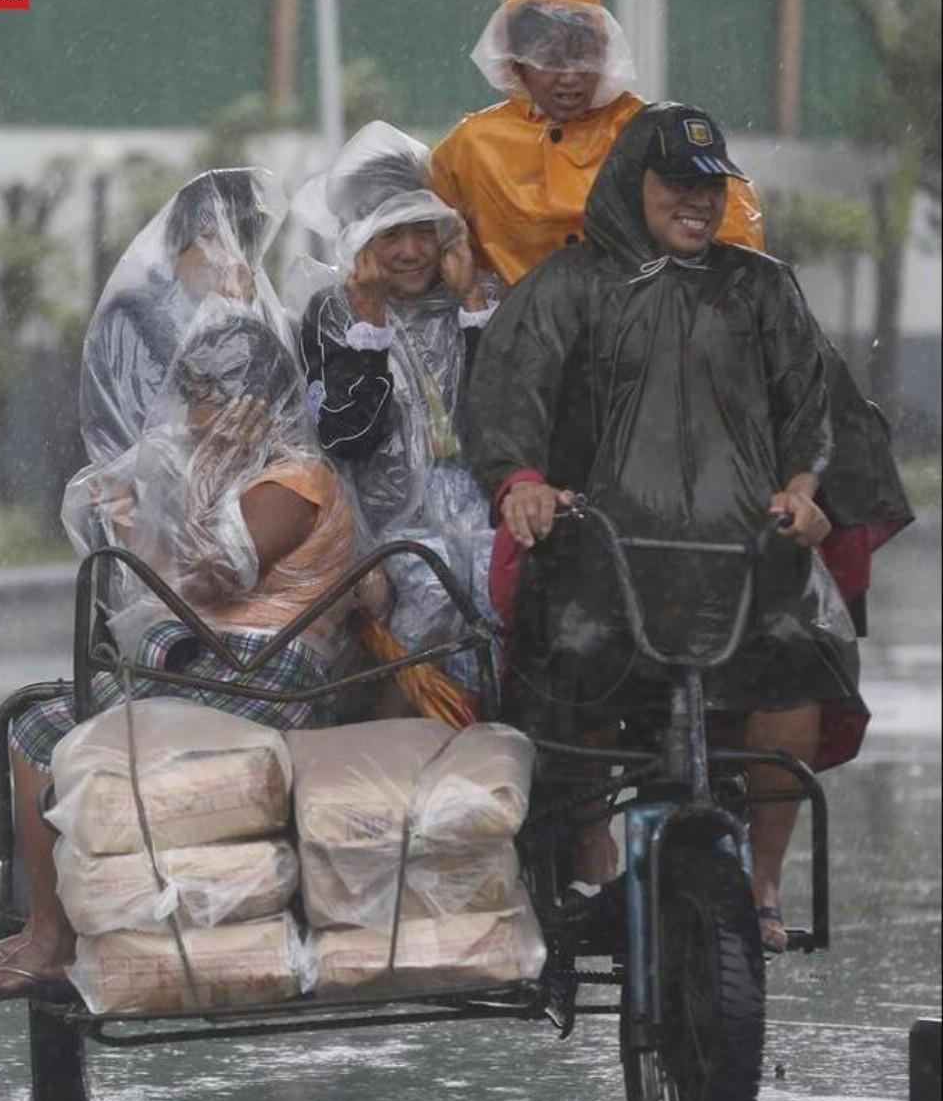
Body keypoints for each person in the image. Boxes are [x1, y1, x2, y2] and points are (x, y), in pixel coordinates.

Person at [467, 102, 911, 951]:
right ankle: (593, 855)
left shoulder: (762, 287)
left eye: (710, 186)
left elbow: (808, 406)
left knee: (798, 654)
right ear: (631, 183)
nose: (697, 202)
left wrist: (804, 486)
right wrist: (521, 483)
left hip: (746, 564)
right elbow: (507, 399)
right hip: (602, 558)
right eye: (678, 183)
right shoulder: (566, 287)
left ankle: (762, 884)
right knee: (573, 650)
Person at [0, 304, 356, 999]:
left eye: (212, 399)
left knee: (50, 727)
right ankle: (45, 927)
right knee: (30, 721)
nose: (196, 417)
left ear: (258, 405)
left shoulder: (296, 480)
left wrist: (174, 504)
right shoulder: (232, 472)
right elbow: (172, 572)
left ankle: (54, 940)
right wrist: (133, 515)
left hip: (264, 679)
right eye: (194, 397)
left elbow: (212, 571)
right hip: (223, 661)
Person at [293, 121, 501, 690]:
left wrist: (471, 304)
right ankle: (408, 732)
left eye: (421, 231)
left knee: (494, 588)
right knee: (427, 591)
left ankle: (496, 743)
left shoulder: (482, 301)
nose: (410, 252)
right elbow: (346, 437)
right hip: (387, 524)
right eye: (390, 235)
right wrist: (371, 327)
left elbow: (501, 419)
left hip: (484, 510)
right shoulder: (334, 315)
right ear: (360, 241)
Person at [430, 0, 765, 287]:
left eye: (584, 56)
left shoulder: (648, 131)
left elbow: (735, 236)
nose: (571, 76)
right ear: (516, 65)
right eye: (551, 59)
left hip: (639, 331)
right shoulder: (472, 146)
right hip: (518, 335)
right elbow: (425, 245)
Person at [79, 167, 289, 465]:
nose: (227, 258)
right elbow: (179, 432)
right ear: (181, 243)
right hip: (149, 500)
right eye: (210, 238)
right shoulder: (134, 319)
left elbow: (267, 418)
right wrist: (233, 325)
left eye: (241, 243)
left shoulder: (264, 319)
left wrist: (239, 319)